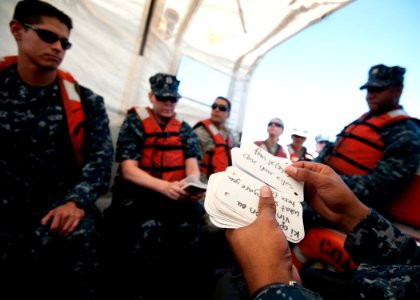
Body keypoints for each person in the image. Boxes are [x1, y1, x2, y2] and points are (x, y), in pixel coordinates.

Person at [0, 1, 114, 299]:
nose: (58, 47)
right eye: (48, 37)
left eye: (64, 42)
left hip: (57, 207)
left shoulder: (86, 102)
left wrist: (77, 201)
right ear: (17, 31)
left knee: (82, 236)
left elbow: (100, 161)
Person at [223, 161, 420, 300]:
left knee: (231, 285)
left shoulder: (407, 134)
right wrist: (350, 214)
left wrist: (269, 281)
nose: (370, 97)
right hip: (373, 284)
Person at [102, 73, 212, 300]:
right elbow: (129, 169)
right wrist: (164, 187)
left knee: (198, 222)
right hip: (140, 194)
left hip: (173, 195)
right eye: (163, 98)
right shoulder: (135, 122)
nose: (169, 104)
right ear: (152, 96)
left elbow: (192, 167)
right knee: (141, 231)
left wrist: (189, 184)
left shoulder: (184, 129)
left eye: (173, 99)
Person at [315, 64, 420, 221]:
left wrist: (324, 181)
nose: (370, 95)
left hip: (350, 210)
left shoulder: (405, 132)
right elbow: (330, 150)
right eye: (369, 90)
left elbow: (382, 185)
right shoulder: (362, 121)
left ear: (398, 90)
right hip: (322, 193)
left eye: (378, 90)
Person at [193, 96, 238, 183]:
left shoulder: (231, 137)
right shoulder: (199, 133)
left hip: (224, 185)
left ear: (228, 114)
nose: (217, 109)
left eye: (222, 108)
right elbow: (193, 165)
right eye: (214, 106)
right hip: (204, 185)